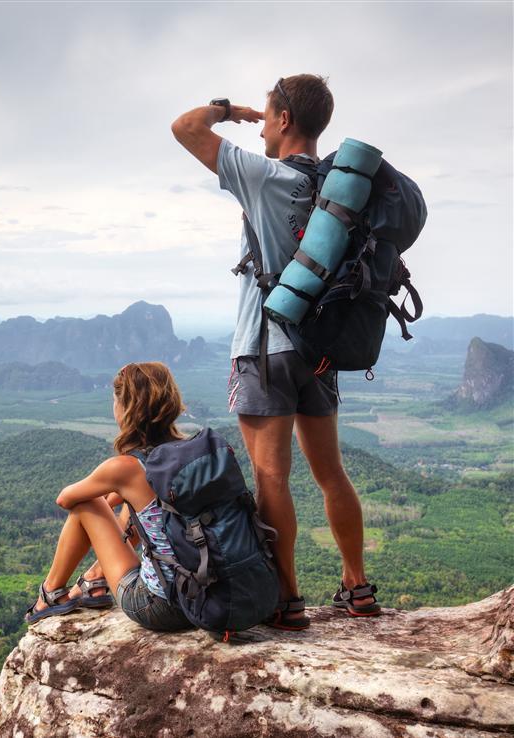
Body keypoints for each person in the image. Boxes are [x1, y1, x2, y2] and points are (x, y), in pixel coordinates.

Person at [169, 74, 380, 629]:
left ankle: (287, 599)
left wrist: (228, 109)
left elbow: (184, 127)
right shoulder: (339, 189)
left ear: (284, 120)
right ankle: (357, 587)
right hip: (320, 349)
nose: (259, 125)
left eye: (266, 116)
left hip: (265, 348)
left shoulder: (264, 177)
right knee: (331, 473)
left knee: (271, 479)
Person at [24, 362, 194, 632]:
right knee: (135, 504)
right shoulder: (190, 451)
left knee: (87, 503)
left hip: (162, 607)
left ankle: (50, 593)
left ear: (125, 408)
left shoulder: (125, 468)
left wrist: (108, 500)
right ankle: (94, 579)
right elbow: (138, 496)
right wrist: (121, 496)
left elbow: (66, 499)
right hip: (207, 597)